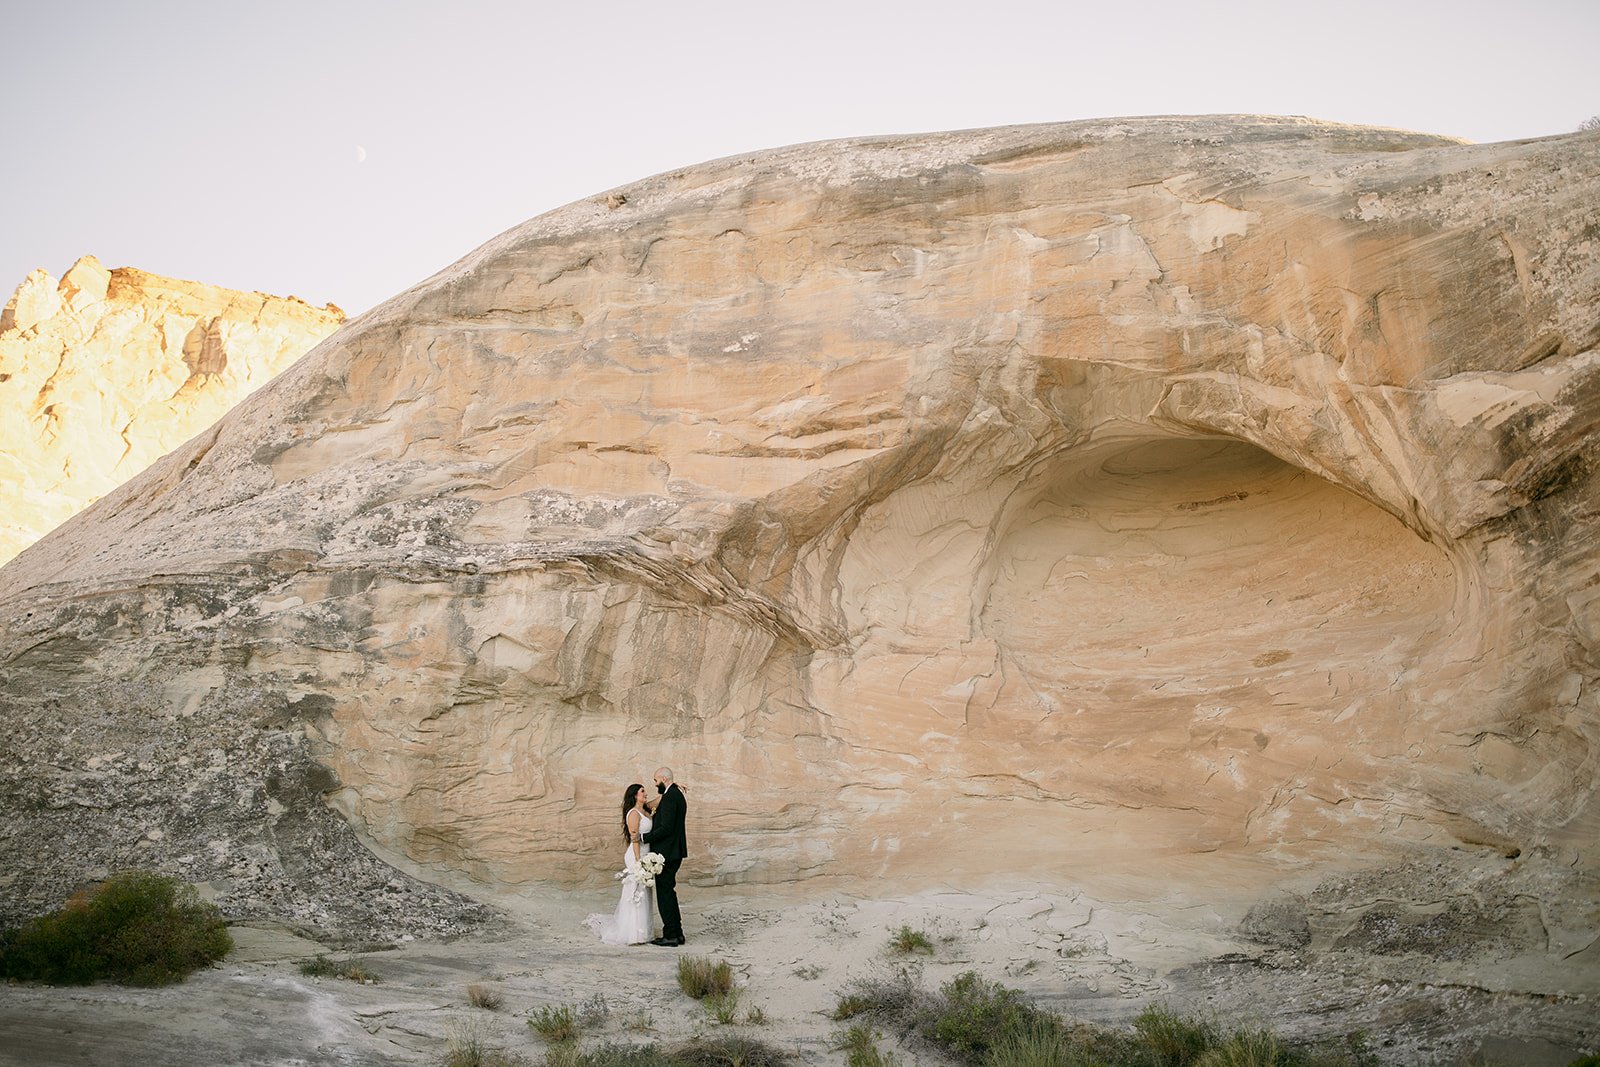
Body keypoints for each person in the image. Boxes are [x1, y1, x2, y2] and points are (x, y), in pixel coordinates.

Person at [582, 783, 655, 945]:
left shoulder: (645, 810)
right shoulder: (634, 814)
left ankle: (643, 932)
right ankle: (632, 934)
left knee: (645, 892)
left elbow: (660, 800)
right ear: (635, 795)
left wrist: (674, 786)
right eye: (642, 791)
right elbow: (635, 839)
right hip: (637, 855)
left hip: (646, 854)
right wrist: (638, 862)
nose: (646, 793)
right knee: (635, 891)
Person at [642, 766, 687, 946]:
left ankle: (670, 936)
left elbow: (666, 828)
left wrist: (645, 837)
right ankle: (677, 933)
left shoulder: (670, 797)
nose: (655, 784)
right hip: (675, 852)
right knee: (670, 892)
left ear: (663, 779)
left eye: (655, 781)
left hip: (667, 853)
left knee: (664, 894)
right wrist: (673, 784)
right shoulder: (675, 794)